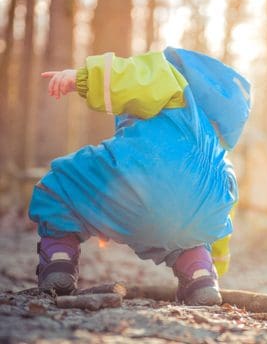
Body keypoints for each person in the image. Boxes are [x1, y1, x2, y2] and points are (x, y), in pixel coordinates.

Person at [29, 47, 250, 306]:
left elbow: (133, 77)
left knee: (60, 185)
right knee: (191, 233)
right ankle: (201, 276)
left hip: (139, 184)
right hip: (195, 218)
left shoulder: (174, 83)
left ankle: (58, 262)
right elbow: (223, 214)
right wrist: (217, 263)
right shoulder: (219, 157)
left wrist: (80, 79)